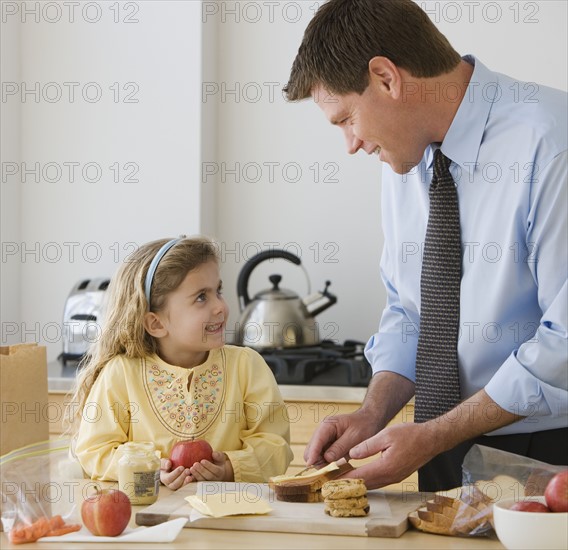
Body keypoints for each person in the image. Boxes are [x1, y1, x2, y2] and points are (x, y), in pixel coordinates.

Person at [284, 0, 567, 491]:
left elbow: (564, 339)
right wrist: (374, 412)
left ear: (386, 79)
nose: (351, 143)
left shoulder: (551, 141)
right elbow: (410, 310)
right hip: (439, 444)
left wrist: (435, 433)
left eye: (346, 119)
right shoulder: (405, 153)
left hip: (547, 447)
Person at [69, 236, 293, 489]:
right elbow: (94, 452)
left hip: (233, 519)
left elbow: (276, 447)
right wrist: (150, 470)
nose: (220, 306)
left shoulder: (247, 366)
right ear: (156, 323)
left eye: (218, 291)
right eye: (201, 297)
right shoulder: (121, 374)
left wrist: (231, 467)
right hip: (151, 520)